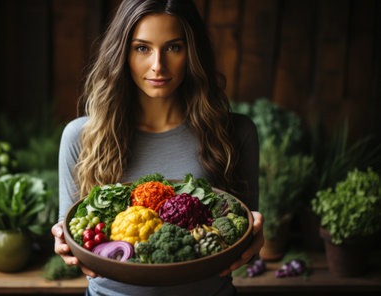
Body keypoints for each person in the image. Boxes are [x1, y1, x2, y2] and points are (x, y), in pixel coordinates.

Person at [52, 0, 264, 295]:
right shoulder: (80, 136)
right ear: (122, 53)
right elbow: (71, 235)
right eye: (142, 48)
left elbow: (244, 235)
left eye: (174, 47)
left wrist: (252, 236)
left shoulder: (235, 132)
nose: (158, 65)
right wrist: (63, 243)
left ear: (192, 52)